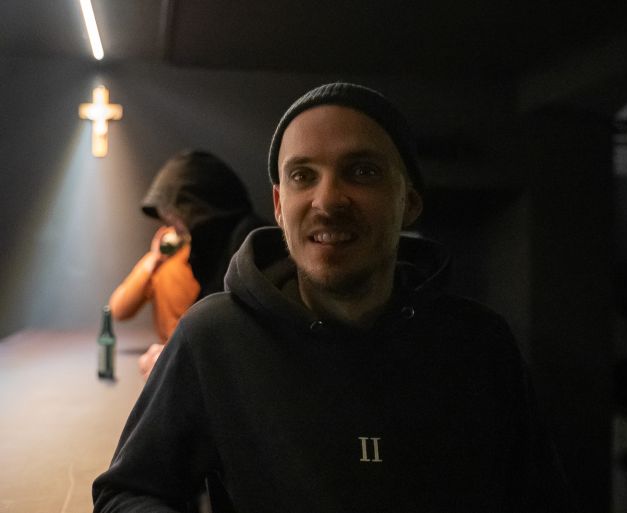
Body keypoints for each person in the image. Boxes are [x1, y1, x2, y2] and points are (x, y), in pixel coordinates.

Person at [93, 83, 570, 512]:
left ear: (409, 201)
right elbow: (126, 494)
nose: (327, 201)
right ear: (279, 206)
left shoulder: (480, 344)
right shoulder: (213, 337)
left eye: (362, 171)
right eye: (303, 176)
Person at [108, 150, 266, 378]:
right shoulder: (203, 255)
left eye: (177, 219)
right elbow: (118, 309)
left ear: (198, 210)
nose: (175, 228)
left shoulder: (248, 247)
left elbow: (238, 337)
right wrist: (154, 260)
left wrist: (177, 361)